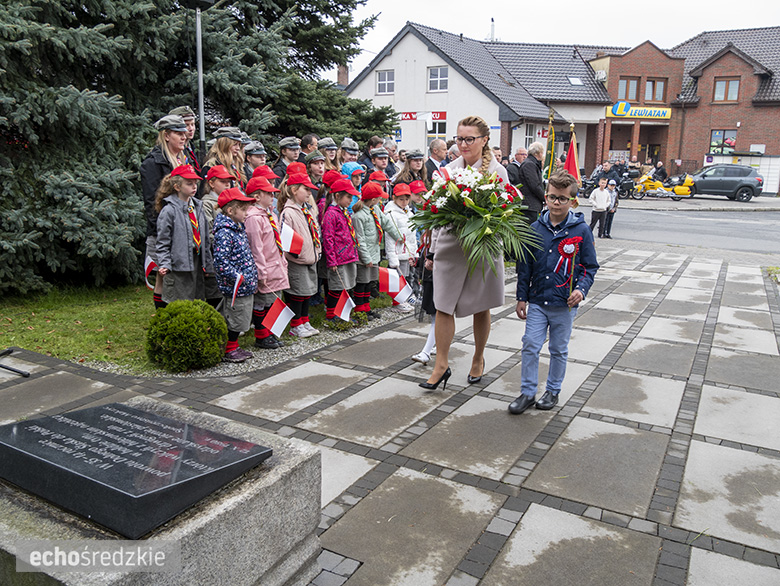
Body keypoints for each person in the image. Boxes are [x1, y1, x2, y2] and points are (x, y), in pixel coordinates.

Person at [421, 115, 510, 391]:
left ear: (484, 140)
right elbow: (436, 217)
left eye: (469, 139)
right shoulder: (447, 171)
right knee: (442, 305)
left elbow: (504, 217)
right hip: (450, 246)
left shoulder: (498, 172)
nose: (463, 144)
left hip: (482, 248)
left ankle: (478, 358)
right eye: (459, 139)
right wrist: (432, 252)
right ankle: (441, 365)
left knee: (480, 307)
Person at [508, 171, 599, 414]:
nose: (556, 203)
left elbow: (590, 266)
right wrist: (521, 297)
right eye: (552, 197)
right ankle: (527, 392)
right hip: (538, 299)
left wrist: (581, 289)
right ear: (545, 198)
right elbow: (524, 265)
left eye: (562, 198)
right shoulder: (535, 228)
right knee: (530, 344)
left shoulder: (581, 231)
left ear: (573, 201)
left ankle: (553, 390)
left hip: (564, 304)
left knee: (558, 349)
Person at [140, 114, 189, 308]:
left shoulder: (181, 160)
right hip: (164, 231)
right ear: (166, 135)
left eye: (184, 133)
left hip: (183, 227)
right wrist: (163, 233)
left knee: (178, 278)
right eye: (178, 133)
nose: (184, 137)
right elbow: (152, 203)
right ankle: (164, 318)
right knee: (164, 277)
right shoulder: (152, 163)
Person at [155, 164, 214, 306]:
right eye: (189, 184)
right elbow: (163, 242)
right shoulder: (169, 211)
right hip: (178, 262)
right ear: (177, 187)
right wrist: (164, 263)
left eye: (195, 183)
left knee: (197, 297)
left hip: (197, 260)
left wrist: (207, 264)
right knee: (179, 299)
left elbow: (205, 238)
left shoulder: (198, 207)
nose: (194, 187)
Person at [213, 187, 259, 363]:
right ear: (231, 211)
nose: (247, 213)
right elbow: (221, 262)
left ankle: (234, 346)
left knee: (242, 316)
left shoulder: (237, 228)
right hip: (235, 286)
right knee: (236, 317)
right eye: (244, 209)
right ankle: (229, 349)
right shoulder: (225, 232)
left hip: (245, 284)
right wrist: (238, 277)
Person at [244, 176, 290, 349]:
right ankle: (261, 336)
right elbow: (256, 247)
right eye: (268, 193)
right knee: (262, 303)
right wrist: (261, 271)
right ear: (256, 196)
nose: (273, 196)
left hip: (276, 264)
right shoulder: (253, 218)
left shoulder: (269, 214)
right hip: (265, 268)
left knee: (272, 302)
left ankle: (271, 333)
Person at [279, 173, 322, 338]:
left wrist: (317, 251)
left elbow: (314, 231)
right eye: (306, 189)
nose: (309, 193)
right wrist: (295, 254)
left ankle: (305, 320)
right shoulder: (288, 212)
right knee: (298, 293)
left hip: (310, 258)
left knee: (307, 292)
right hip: (297, 260)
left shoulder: (307, 210)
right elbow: (286, 238)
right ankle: (296, 324)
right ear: (294, 190)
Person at [352, 181, 402, 320]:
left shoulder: (376, 210)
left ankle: (367, 308)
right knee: (361, 283)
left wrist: (398, 236)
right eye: (379, 198)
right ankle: (359, 309)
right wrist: (366, 258)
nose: (381, 200)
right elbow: (359, 239)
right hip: (364, 257)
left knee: (369, 282)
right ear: (373, 199)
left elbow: (386, 224)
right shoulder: (358, 216)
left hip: (374, 253)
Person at [320, 178, 361, 325]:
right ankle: (332, 315)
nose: (351, 200)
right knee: (337, 288)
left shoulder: (343, 212)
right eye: (348, 197)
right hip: (338, 258)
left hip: (348, 256)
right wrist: (331, 260)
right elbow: (328, 238)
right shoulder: (331, 214)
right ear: (337, 196)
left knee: (347, 286)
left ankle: (343, 313)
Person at [384, 182, 419, 313]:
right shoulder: (391, 214)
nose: (404, 202)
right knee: (398, 277)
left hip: (407, 251)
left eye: (406, 199)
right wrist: (392, 257)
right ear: (394, 198)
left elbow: (412, 235)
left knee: (406, 276)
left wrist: (414, 253)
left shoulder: (409, 213)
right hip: (398, 252)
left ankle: (404, 299)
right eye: (401, 199)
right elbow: (390, 237)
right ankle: (397, 302)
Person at [201, 127, 246, 192]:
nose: (238, 148)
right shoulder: (211, 165)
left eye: (239, 145)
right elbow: (205, 192)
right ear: (224, 145)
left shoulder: (234, 165)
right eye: (235, 144)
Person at [517, 141, 545, 223]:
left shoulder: (530, 163)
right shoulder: (530, 164)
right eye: (541, 152)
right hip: (530, 206)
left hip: (531, 205)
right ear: (537, 153)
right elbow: (534, 185)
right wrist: (545, 198)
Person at [168, 106, 200, 172]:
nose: (191, 129)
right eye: (186, 125)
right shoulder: (173, 150)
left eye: (192, 124)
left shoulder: (190, 147)